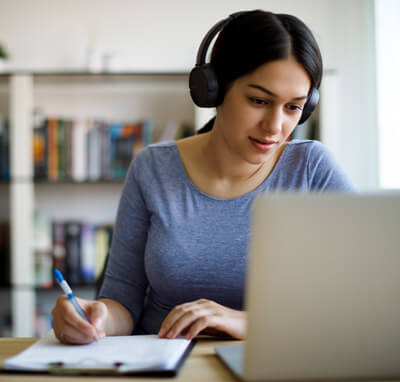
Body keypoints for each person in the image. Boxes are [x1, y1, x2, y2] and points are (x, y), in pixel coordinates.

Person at [51, 10, 356, 345]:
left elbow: (363, 298)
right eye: (259, 100)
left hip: (275, 372)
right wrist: (92, 316)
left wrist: (247, 322)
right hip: (165, 372)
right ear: (214, 89)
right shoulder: (152, 169)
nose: (275, 126)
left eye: (293, 107)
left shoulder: (312, 170)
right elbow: (122, 301)